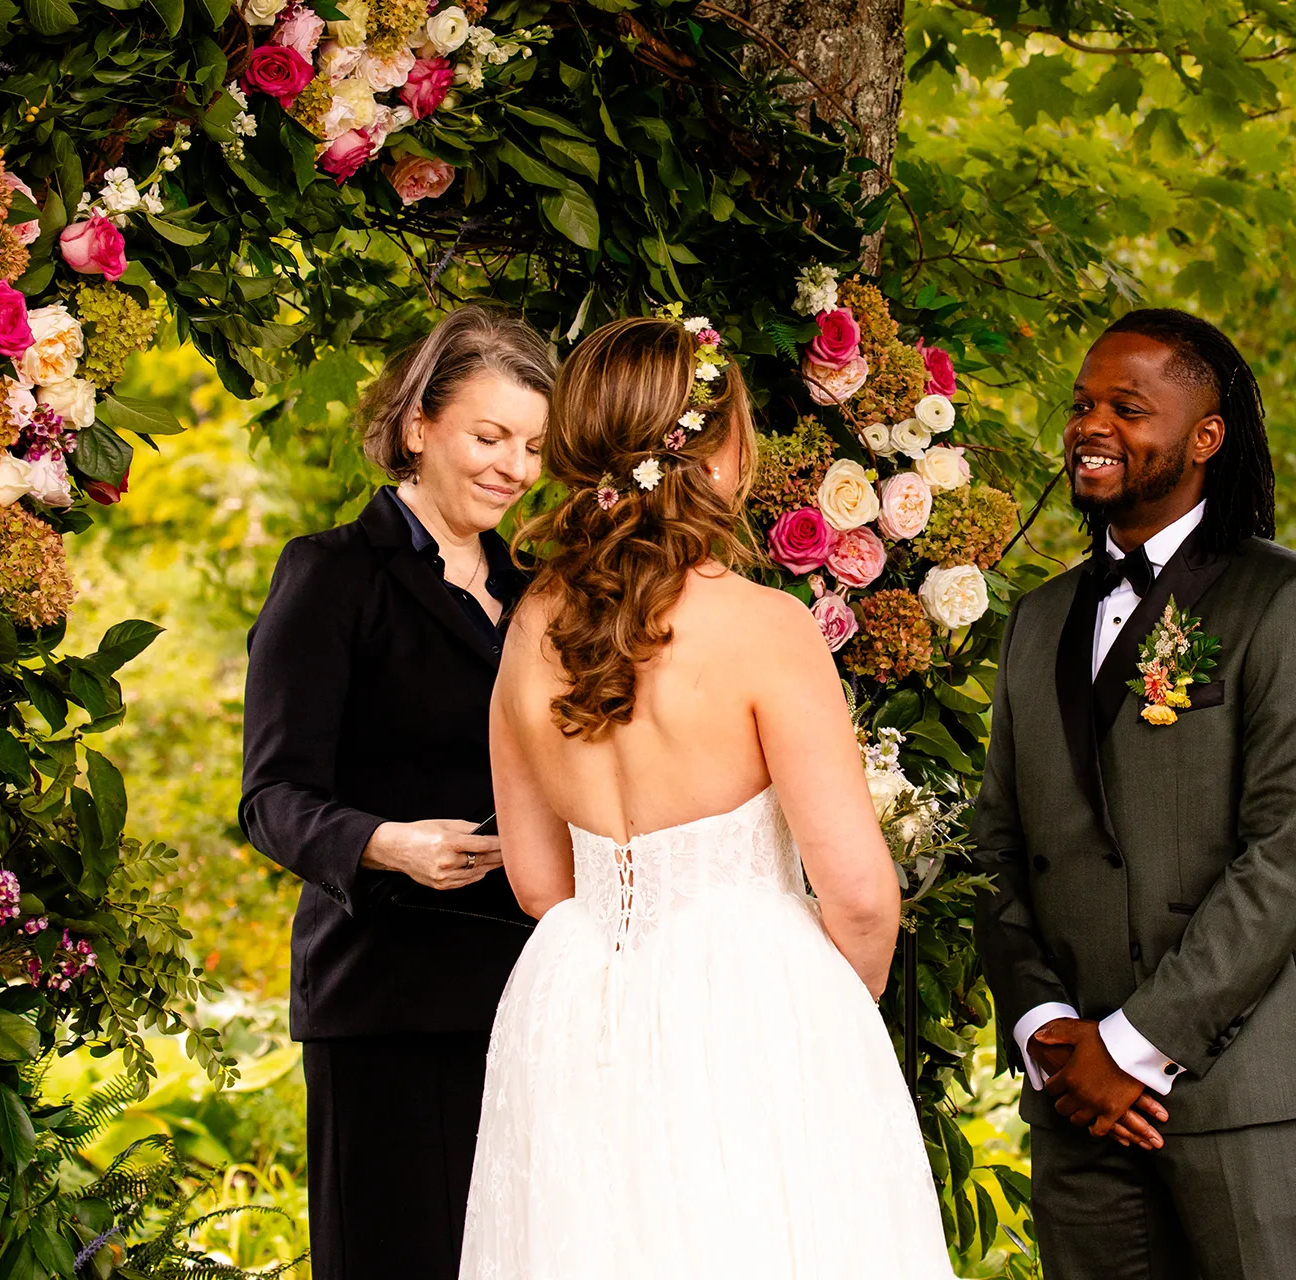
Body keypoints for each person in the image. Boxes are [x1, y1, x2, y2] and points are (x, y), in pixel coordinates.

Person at [458, 315, 954, 1278]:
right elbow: (857, 893)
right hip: (751, 1000)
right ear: (717, 451)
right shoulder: (767, 627)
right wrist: (813, 1017)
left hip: (575, 1000)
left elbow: (534, 878)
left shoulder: (528, 626)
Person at [973, 308, 1296, 1279]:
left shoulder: (1293, 600)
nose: (1092, 424)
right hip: (1074, 1090)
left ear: (1206, 437)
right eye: (1083, 404)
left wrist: (1136, 1041)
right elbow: (993, 842)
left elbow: (1293, 849)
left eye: (1128, 405)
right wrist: (1047, 1029)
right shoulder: (1037, 619)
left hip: (1246, 1081)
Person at [239, 306, 555, 1280]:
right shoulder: (333, 574)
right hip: (389, 999)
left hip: (538, 991)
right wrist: (386, 841)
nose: (514, 466)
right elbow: (273, 793)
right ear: (420, 424)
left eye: (535, 445)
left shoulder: (545, 592)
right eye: (490, 435)